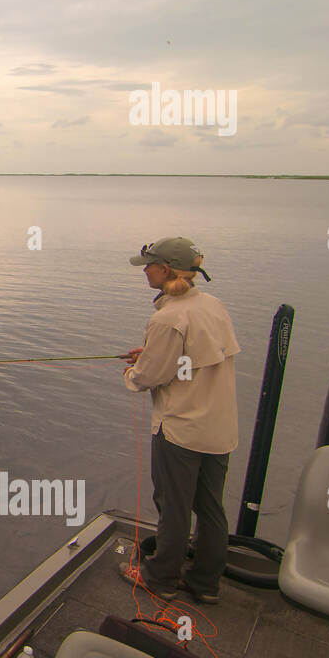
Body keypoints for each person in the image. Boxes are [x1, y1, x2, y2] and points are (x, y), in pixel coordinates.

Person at [117, 237, 241, 604]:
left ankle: (160, 578)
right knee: (210, 508)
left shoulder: (168, 317)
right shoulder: (212, 305)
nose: (144, 270)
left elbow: (147, 377)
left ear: (165, 270)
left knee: (172, 506)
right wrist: (154, 352)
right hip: (219, 429)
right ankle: (204, 584)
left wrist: (133, 372)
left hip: (181, 430)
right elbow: (190, 355)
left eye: (148, 264)